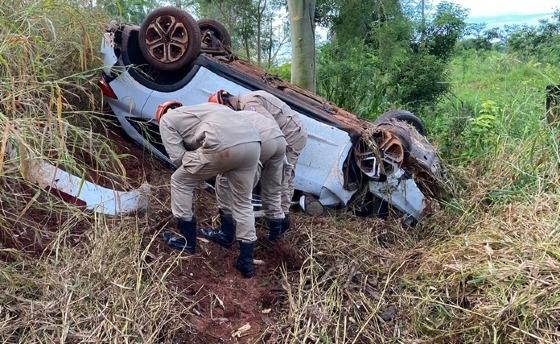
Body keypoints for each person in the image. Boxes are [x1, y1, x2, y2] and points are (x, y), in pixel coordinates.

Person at [156, 101, 261, 278]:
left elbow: (179, 160)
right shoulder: (205, 108)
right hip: (252, 144)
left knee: (180, 181)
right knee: (243, 202)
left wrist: (199, 178)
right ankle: (246, 260)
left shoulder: (167, 120)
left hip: (223, 146)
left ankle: (187, 242)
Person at [208, 90, 308, 231]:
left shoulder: (249, 104)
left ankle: (282, 220)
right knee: (272, 175)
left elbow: (268, 128)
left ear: (226, 104)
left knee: (281, 177)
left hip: (289, 136)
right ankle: (272, 217)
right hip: (284, 136)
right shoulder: (248, 100)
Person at [201, 109, 287, 244]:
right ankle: (275, 237)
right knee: (272, 189)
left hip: (261, 141)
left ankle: (226, 233)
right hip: (280, 141)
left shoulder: (217, 122)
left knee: (224, 180)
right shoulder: (244, 114)